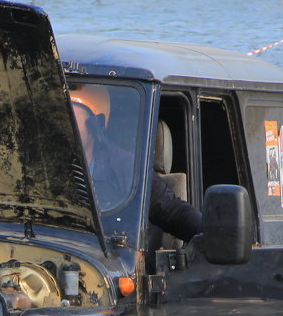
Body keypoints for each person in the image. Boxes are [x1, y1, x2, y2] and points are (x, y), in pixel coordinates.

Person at [70, 86, 202, 242]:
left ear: (95, 125)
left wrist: (215, 237)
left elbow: (170, 211)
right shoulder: (40, 167)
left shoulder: (125, 167)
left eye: (69, 117)